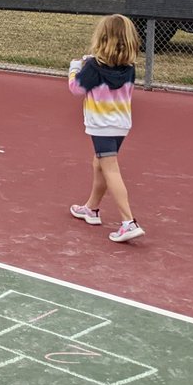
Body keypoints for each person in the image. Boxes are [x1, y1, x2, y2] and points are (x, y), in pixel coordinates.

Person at [68, 14, 145, 243]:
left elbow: (76, 88)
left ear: (102, 38)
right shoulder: (129, 67)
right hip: (121, 125)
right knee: (99, 164)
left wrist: (74, 68)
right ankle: (91, 209)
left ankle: (128, 222)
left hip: (101, 127)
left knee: (110, 169)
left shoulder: (93, 67)